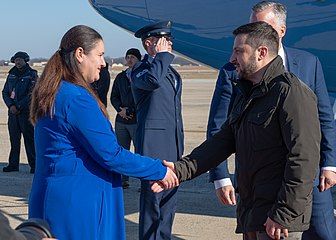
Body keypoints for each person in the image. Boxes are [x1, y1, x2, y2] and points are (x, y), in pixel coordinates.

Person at [154, 21, 321, 240]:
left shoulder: (291, 93)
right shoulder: (248, 93)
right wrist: (179, 170)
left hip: (277, 222)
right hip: (252, 214)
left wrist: (284, 214)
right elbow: (221, 142)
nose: (232, 59)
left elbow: (304, 160)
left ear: (261, 52)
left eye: (239, 51)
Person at [28, 25, 178, 240]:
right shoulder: (76, 98)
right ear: (80, 54)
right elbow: (111, 154)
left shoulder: (56, 91)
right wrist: (159, 170)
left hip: (58, 198)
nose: (102, 62)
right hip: (79, 204)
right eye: (99, 55)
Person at [208, 2, 336, 239]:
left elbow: (324, 117)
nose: (256, 30)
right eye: (253, 25)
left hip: (307, 177)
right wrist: (221, 176)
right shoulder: (231, 71)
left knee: (324, 233)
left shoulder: (308, 63)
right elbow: (220, 129)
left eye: (263, 25)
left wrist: (329, 163)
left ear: (282, 30)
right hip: (262, 185)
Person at [131, 21, 184, 239]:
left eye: (169, 41)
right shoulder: (140, 71)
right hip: (153, 145)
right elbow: (152, 81)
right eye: (164, 41)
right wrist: (162, 55)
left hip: (172, 144)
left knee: (169, 202)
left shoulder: (170, 72)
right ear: (149, 44)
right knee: (153, 203)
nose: (169, 45)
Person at [111, 48, 141, 189]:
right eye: (127, 57)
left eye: (133, 57)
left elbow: (144, 99)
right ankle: (123, 180)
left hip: (136, 121)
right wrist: (120, 110)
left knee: (140, 152)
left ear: (138, 59)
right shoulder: (121, 77)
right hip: (121, 121)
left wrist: (131, 111)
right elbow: (113, 97)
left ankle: (144, 181)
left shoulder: (142, 76)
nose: (129, 59)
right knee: (122, 151)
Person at [2, 51, 37, 173]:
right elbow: (5, 92)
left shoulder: (32, 75)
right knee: (14, 140)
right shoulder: (11, 75)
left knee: (29, 140)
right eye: (16, 60)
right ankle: (13, 165)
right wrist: (11, 106)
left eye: (20, 59)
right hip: (13, 114)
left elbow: (32, 93)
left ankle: (34, 165)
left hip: (25, 113)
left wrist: (19, 106)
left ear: (25, 60)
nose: (17, 62)